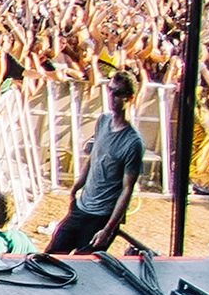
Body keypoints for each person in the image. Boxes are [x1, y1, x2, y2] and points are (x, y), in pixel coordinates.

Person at [47, 69, 146, 254]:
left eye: (117, 93)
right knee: (51, 254)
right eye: (110, 90)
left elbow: (127, 189)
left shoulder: (133, 142)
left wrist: (108, 229)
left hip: (101, 216)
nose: (111, 96)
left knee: (84, 266)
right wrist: (77, 186)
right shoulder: (103, 120)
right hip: (82, 207)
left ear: (129, 98)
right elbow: (93, 157)